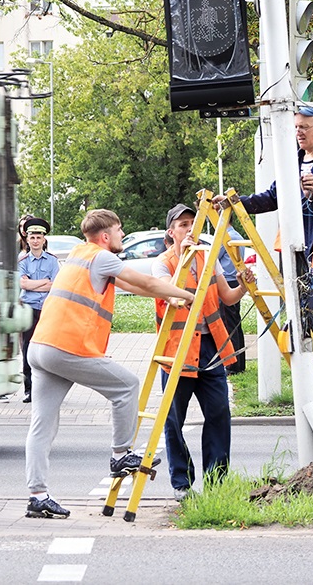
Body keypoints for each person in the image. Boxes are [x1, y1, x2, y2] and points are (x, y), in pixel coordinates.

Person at [24, 209, 196, 519]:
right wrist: (186, 295)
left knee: (43, 424)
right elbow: (145, 280)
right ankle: (121, 455)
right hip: (66, 347)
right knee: (127, 386)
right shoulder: (101, 258)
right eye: (119, 231)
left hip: (40, 347)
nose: (121, 236)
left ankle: (38, 496)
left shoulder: (79, 253)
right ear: (106, 236)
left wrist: (171, 297)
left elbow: (134, 286)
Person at [218, 106, 313, 401]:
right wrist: (237, 204)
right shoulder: (293, 160)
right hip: (293, 250)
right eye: (296, 128)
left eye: (304, 127)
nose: (299, 133)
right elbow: (272, 197)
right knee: (298, 314)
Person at [154, 204, 255, 501]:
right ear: (171, 233)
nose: (189, 229)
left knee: (219, 415)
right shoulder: (163, 263)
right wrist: (184, 259)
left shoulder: (208, 259)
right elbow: (169, 294)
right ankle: (181, 483)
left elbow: (228, 296)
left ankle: (216, 483)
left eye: (193, 224)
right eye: (183, 224)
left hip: (210, 350)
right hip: (178, 352)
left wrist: (245, 286)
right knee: (174, 421)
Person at [18, 217, 60, 403]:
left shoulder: (52, 261)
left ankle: (47, 388)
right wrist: (44, 282)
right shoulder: (23, 260)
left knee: (47, 349)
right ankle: (29, 389)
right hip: (29, 309)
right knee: (28, 349)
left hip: (47, 309)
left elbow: (56, 285)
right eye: (32, 237)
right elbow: (22, 283)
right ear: (27, 239)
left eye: (39, 237)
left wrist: (33, 284)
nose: (35, 240)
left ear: (44, 239)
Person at [216, 224, 248, 376]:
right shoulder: (236, 235)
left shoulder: (226, 236)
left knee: (229, 325)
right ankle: (238, 364)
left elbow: (212, 258)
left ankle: (233, 365)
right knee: (234, 323)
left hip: (227, 282)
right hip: (234, 281)